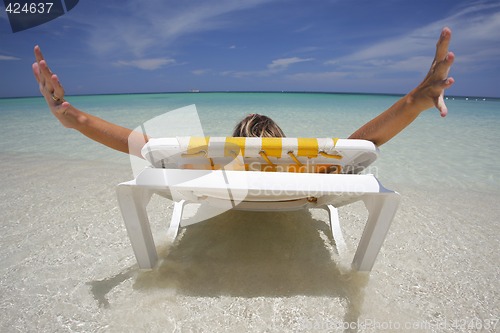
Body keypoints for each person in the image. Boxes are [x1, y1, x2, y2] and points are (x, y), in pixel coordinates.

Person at [32, 27, 455, 158]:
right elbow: (363, 144)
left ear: (235, 141)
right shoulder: (307, 167)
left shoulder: (210, 165)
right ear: (280, 139)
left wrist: (71, 116)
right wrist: (412, 102)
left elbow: (133, 143)